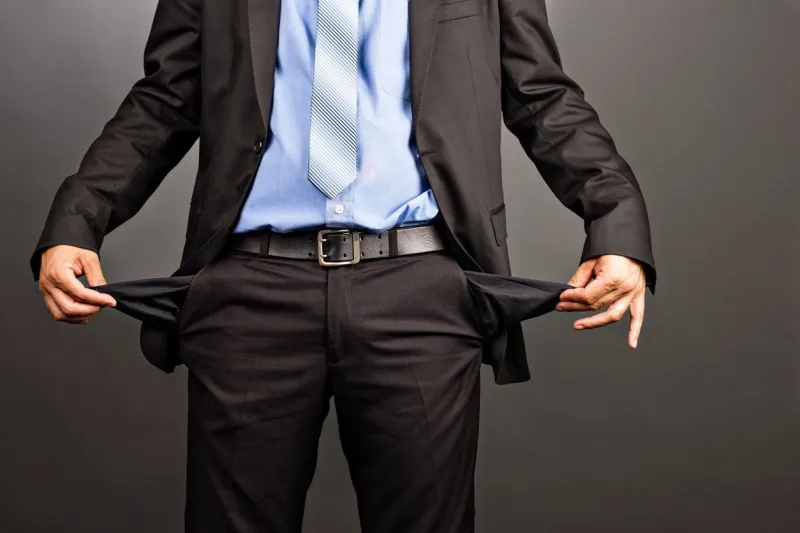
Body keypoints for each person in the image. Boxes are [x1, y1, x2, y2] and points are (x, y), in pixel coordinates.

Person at [30, 0, 656, 531]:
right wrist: (76, 221)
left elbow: (541, 95)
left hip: (420, 293)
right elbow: (163, 102)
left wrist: (616, 223)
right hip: (251, 293)